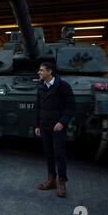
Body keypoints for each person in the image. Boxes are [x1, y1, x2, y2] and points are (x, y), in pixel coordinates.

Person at [35, 62, 75, 198]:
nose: (38, 72)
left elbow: (71, 106)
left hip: (57, 126)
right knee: (48, 153)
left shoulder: (63, 86)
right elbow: (38, 108)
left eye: (41, 70)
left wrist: (62, 122)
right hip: (45, 126)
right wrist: (37, 125)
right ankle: (51, 180)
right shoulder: (41, 87)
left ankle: (62, 182)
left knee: (59, 154)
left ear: (49, 72)